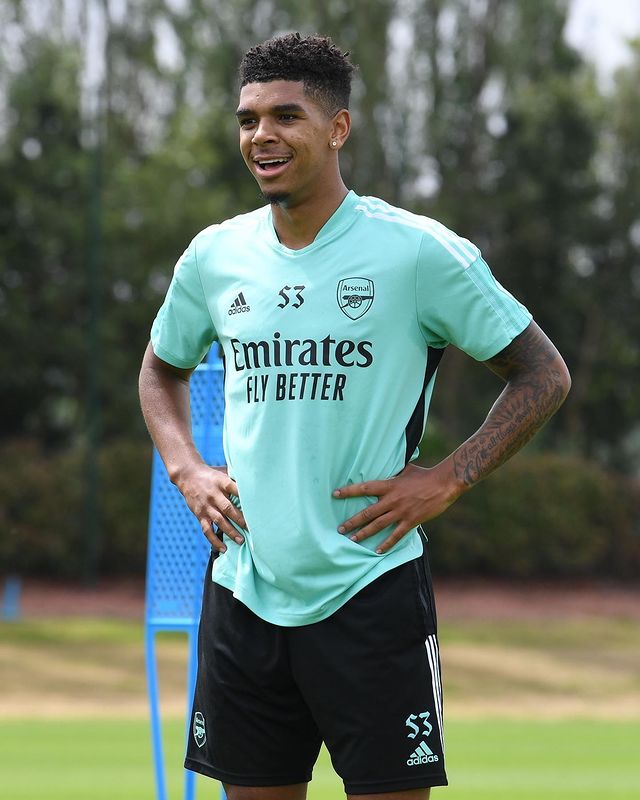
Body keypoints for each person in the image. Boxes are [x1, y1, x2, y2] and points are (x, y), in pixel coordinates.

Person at [139, 32, 570, 800]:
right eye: (247, 120)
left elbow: (543, 374)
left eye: (286, 116)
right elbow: (161, 369)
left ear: (338, 128)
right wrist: (186, 468)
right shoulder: (214, 257)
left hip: (371, 591)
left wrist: (450, 477)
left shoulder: (418, 253)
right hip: (242, 588)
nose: (261, 135)